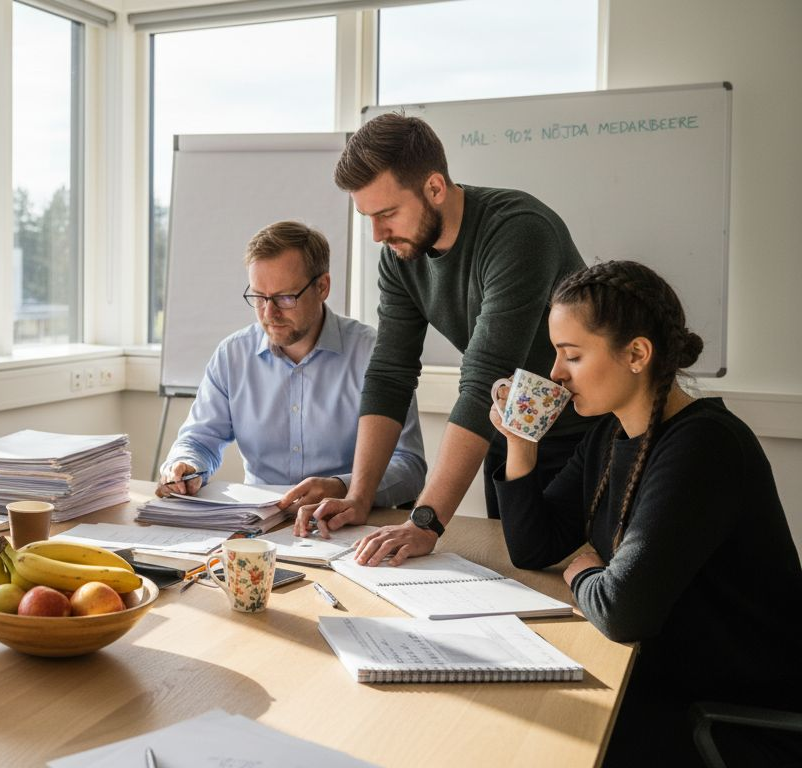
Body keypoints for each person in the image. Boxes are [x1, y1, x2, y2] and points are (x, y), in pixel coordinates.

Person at [492, 260, 802, 766]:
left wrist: (586, 571)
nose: (554, 373)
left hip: (721, 711)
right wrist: (520, 443)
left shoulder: (705, 445)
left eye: (571, 355)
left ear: (636, 353)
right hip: (662, 676)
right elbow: (534, 547)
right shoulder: (609, 434)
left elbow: (622, 610)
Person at [297, 112, 594, 562]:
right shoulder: (400, 257)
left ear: (435, 188)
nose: (378, 234)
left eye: (388, 214)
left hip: (585, 436)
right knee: (516, 572)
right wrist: (361, 495)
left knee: (580, 583)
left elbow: (482, 380)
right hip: (509, 438)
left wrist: (425, 521)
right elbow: (390, 373)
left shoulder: (518, 231)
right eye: (368, 218)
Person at [157, 220, 426, 513]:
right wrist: (184, 464)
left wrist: (344, 486)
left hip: (348, 520)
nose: (269, 313)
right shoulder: (233, 356)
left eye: (285, 298)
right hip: (260, 525)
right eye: (259, 297)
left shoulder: (373, 354)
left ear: (322, 287)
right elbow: (198, 440)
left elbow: (409, 465)